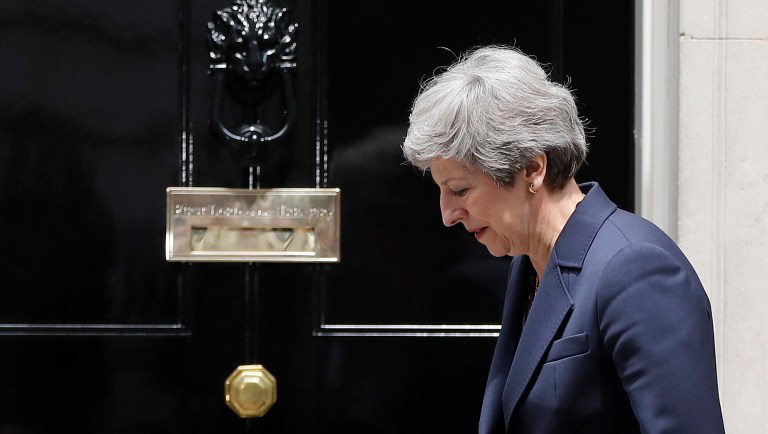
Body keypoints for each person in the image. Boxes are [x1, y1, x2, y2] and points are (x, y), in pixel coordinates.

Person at [401, 45, 725, 433]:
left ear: (532, 169)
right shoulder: (527, 261)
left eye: (460, 189)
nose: (447, 215)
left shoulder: (636, 269)